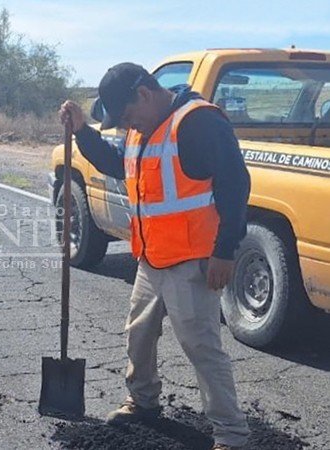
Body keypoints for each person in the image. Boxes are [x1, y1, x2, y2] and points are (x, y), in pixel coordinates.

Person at [59, 62, 251, 450]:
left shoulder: (198, 123)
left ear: (144, 94)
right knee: (139, 335)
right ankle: (144, 401)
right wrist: (81, 131)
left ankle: (231, 434)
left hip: (193, 261)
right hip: (151, 259)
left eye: (128, 116)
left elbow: (235, 186)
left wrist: (225, 251)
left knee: (201, 347)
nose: (128, 126)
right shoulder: (141, 130)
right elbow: (116, 165)